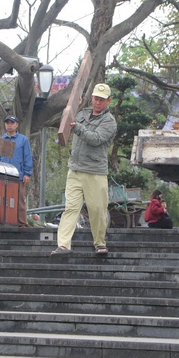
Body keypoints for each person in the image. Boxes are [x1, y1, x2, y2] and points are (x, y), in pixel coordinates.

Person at [50, 83, 117, 257]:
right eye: (95, 98)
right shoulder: (83, 113)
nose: (97, 102)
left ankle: (100, 243)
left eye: (101, 100)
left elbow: (96, 139)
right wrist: (73, 106)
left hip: (95, 172)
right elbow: (67, 119)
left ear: (108, 101)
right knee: (70, 208)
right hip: (75, 169)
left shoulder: (109, 122)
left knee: (97, 210)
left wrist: (77, 127)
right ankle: (63, 245)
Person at [0, 115, 33, 228]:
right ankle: (3, 221)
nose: (9, 125)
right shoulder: (1, 140)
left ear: (17, 125)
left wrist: (27, 173)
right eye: (7, 123)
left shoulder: (23, 140)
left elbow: (27, 157)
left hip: (18, 175)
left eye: (12, 123)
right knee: (2, 198)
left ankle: (22, 223)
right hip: (3, 175)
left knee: (20, 200)